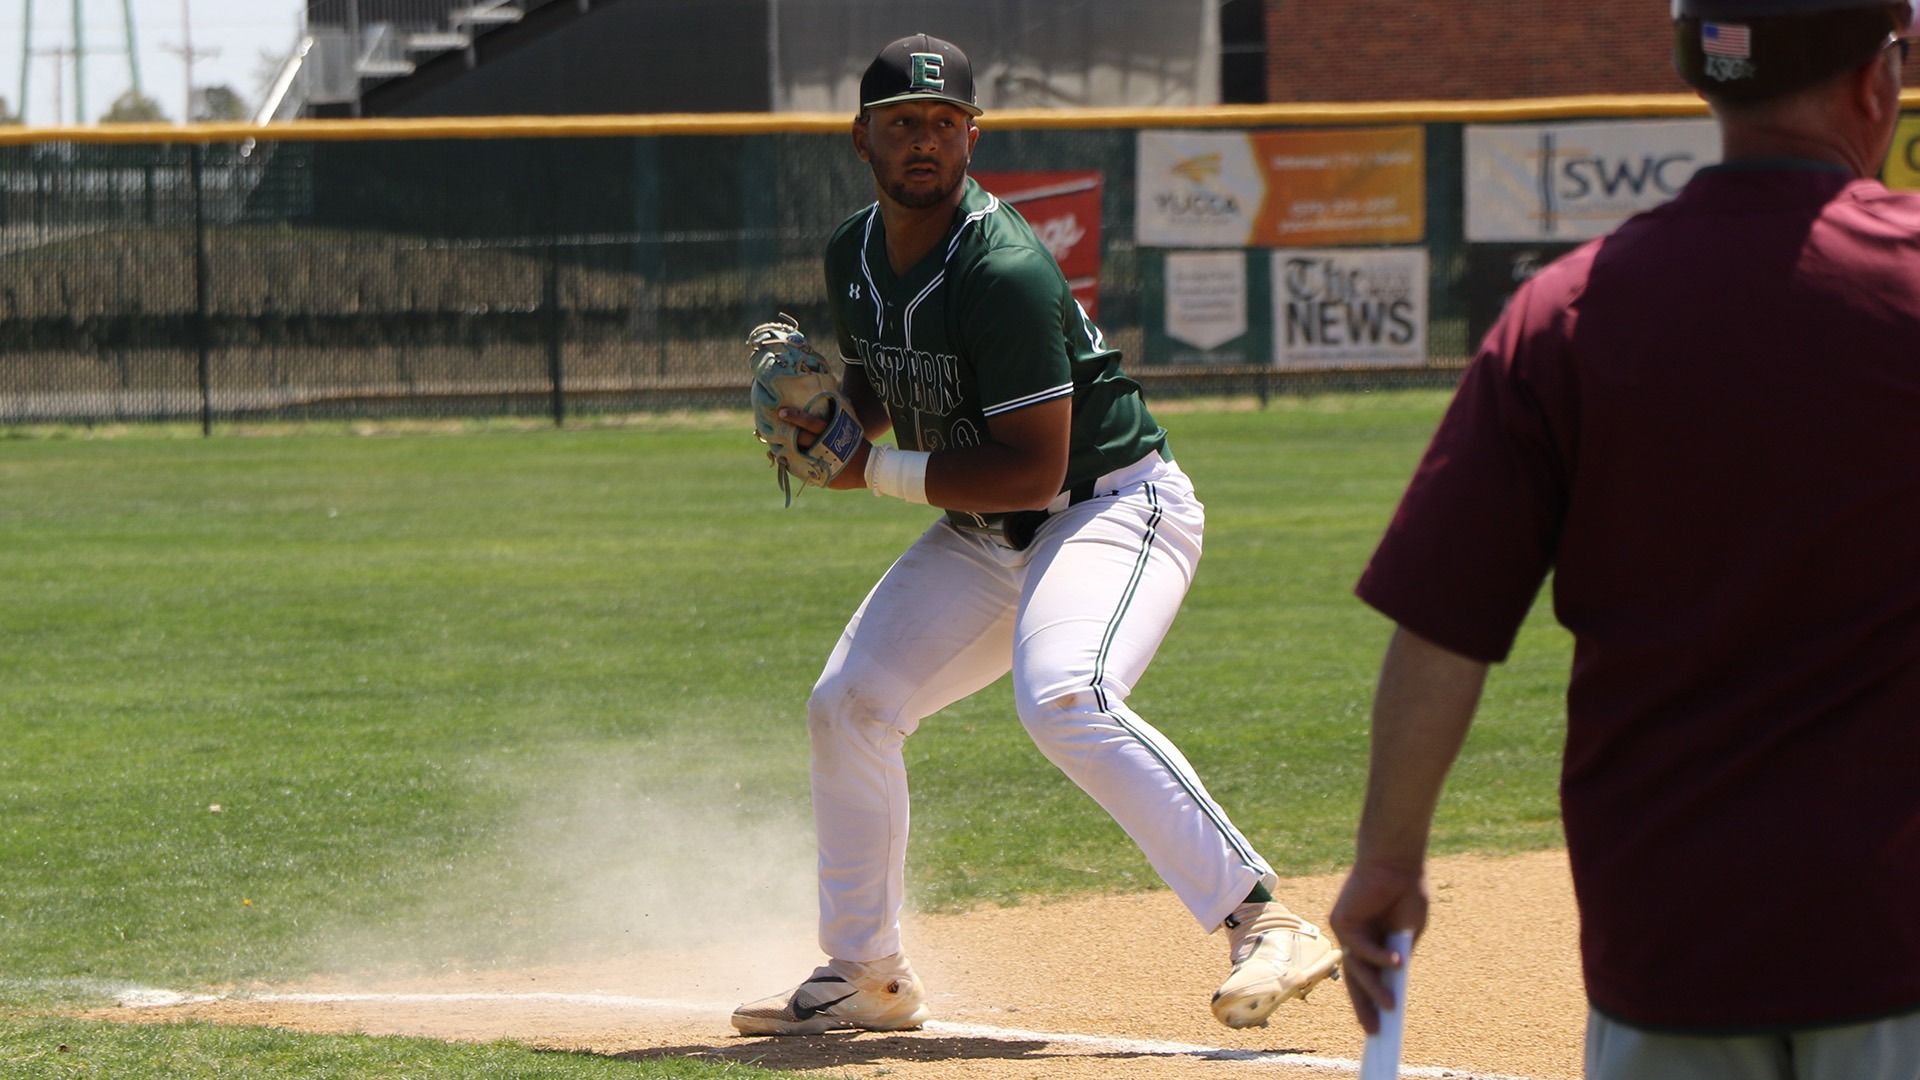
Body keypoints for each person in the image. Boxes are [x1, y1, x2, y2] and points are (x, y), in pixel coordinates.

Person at [1330, 1, 1920, 1075]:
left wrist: (1387, 857)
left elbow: (1443, 627)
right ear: (1876, 80)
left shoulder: (1564, 311)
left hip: (1668, 927)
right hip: (1896, 930)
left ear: (1702, 77)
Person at [730, 33, 1340, 1036]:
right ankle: (867, 974)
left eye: (943, 122)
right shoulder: (855, 251)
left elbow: (1036, 466)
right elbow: (887, 379)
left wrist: (864, 468)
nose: (923, 140)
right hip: (986, 531)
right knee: (849, 706)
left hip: (1110, 507)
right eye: (901, 124)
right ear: (861, 139)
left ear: (972, 135)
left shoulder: (1002, 265)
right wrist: (824, 422)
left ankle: (1264, 918)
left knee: (1065, 695)